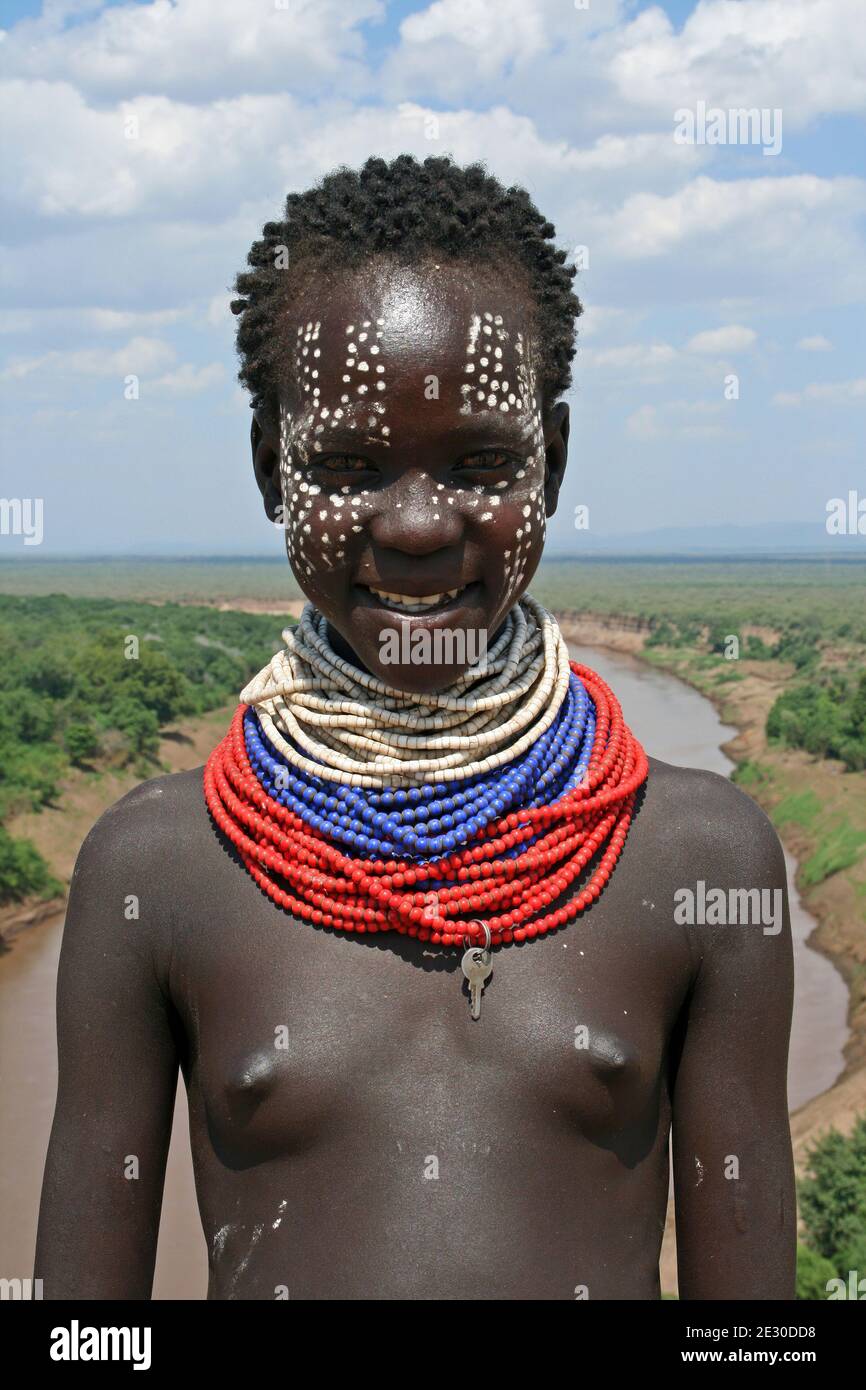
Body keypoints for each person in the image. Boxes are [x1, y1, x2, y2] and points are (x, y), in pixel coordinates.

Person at [35, 155, 795, 1300]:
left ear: (556, 458)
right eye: (346, 466)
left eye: (482, 463)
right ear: (267, 468)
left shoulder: (699, 859)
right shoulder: (154, 869)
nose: (417, 525)